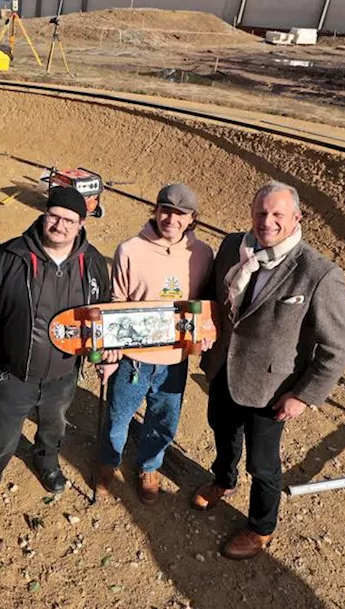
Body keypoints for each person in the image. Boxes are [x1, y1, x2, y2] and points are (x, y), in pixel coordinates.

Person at [193, 181, 345, 560]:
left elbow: (340, 345)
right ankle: (223, 480)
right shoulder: (234, 246)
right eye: (261, 213)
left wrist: (304, 395)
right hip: (223, 369)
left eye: (277, 215)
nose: (267, 222)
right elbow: (213, 298)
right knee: (222, 430)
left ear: (296, 218)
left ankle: (261, 527)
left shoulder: (318, 273)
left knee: (263, 464)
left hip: (272, 387)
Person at [0, 186, 110, 524]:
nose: (60, 225)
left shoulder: (94, 263)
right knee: (1, 438)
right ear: (44, 214)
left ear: (81, 224)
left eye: (69, 220)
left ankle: (46, 463)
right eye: (55, 216)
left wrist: (101, 355)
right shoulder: (9, 256)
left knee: (53, 429)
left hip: (63, 376)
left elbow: (103, 313)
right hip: (11, 376)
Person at [95, 183, 214, 504]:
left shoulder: (203, 254)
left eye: (180, 214)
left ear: (192, 219)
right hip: (132, 359)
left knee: (163, 420)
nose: (171, 219)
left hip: (174, 360)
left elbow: (203, 302)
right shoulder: (129, 249)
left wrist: (205, 330)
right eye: (165, 210)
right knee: (118, 417)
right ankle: (109, 461)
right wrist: (109, 354)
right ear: (155, 210)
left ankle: (148, 467)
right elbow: (117, 302)